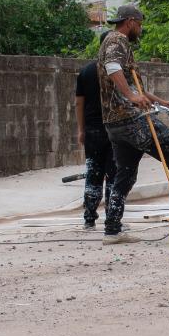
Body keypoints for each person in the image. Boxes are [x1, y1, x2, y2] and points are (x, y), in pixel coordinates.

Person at [97, 4, 169, 246]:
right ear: (130, 21)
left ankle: (112, 230)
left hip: (115, 123)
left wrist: (160, 101)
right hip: (130, 118)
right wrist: (131, 97)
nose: (140, 29)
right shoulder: (117, 40)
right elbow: (113, 69)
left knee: (126, 174)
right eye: (139, 24)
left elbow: (136, 87)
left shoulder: (118, 43)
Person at [74, 59, 113, 230]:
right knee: (114, 175)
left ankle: (89, 219)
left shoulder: (86, 71)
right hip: (115, 128)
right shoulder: (117, 70)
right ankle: (112, 219)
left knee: (93, 174)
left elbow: (79, 103)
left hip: (92, 130)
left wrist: (81, 129)